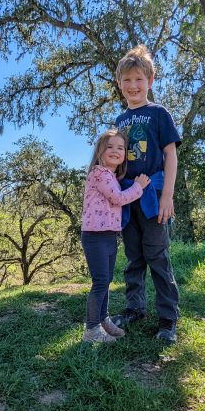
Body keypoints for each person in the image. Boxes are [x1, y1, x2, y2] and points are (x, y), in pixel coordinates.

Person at [112, 45, 182, 343]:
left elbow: (170, 155)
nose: (133, 86)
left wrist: (168, 195)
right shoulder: (119, 121)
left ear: (150, 81)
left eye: (139, 79)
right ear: (119, 84)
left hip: (154, 197)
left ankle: (168, 319)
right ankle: (134, 308)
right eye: (126, 80)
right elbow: (115, 161)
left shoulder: (158, 114)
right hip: (128, 199)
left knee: (157, 255)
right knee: (134, 257)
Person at [81, 129, 151, 343]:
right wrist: (139, 186)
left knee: (107, 280)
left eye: (120, 148)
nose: (115, 151)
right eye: (109, 147)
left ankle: (103, 319)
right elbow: (118, 198)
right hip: (95, 235)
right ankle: (91, 330)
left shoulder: (111, 176)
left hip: (109, 235)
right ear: (100, 152)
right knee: (100, 281)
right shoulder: (99, 173)